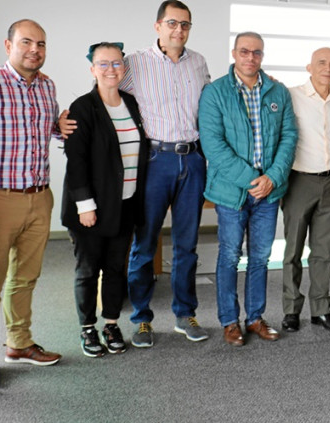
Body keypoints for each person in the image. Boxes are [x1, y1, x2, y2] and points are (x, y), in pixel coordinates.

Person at [0, 18, 65, 385]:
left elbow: (48, 127)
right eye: (26, 42)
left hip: (39, 196)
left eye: (41, 44)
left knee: (25, 277)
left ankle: (20, 343)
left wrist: (62, 125)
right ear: (8, 46)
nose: (34, 50)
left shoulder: (47, 85)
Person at [121, 0, 211, 348]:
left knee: (187, 245)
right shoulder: (135, 63)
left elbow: (212, 103)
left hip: (192, 160)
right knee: (144, 245)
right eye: (172, 23)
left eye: (185, 24)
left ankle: (185, 313)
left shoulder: (198, 62)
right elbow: (106, 91)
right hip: (155, 160)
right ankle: (142, 319)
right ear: (157, 26)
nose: (179, 30)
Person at [198, 32, 297, 346]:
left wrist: (272, 177)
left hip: (268, 193)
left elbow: (289, 137)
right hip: (232, 192)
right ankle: (229, 321)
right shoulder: (215, 93)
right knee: (229, 257)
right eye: (244, 51)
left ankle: (254, 318)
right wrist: (252, 180)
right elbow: (213, 146)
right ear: (234, 53)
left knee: (261, 258)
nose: (250, 57)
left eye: (256, 52)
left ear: (262, 56)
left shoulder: (278, 92)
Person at [61, 42, 149, 357]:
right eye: (103, 63)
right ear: (92, 69)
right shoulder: (83, 107)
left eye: (116, 63)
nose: (111, 69)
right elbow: (76, 161)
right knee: (88, 270)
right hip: (91, 209)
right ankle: (87, 329)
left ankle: (111, 323)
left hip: (125, 203)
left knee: (115, 268)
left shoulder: (132, 103)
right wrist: (85, 206)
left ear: (123, 68)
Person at [281, 47, 330, 333]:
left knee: (324, 252)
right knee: (292, 251)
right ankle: (291, 309)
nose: (328, 68)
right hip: (299, 180)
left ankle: (321, 309)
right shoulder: (292, 95)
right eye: (322, 63)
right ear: (309, 67)